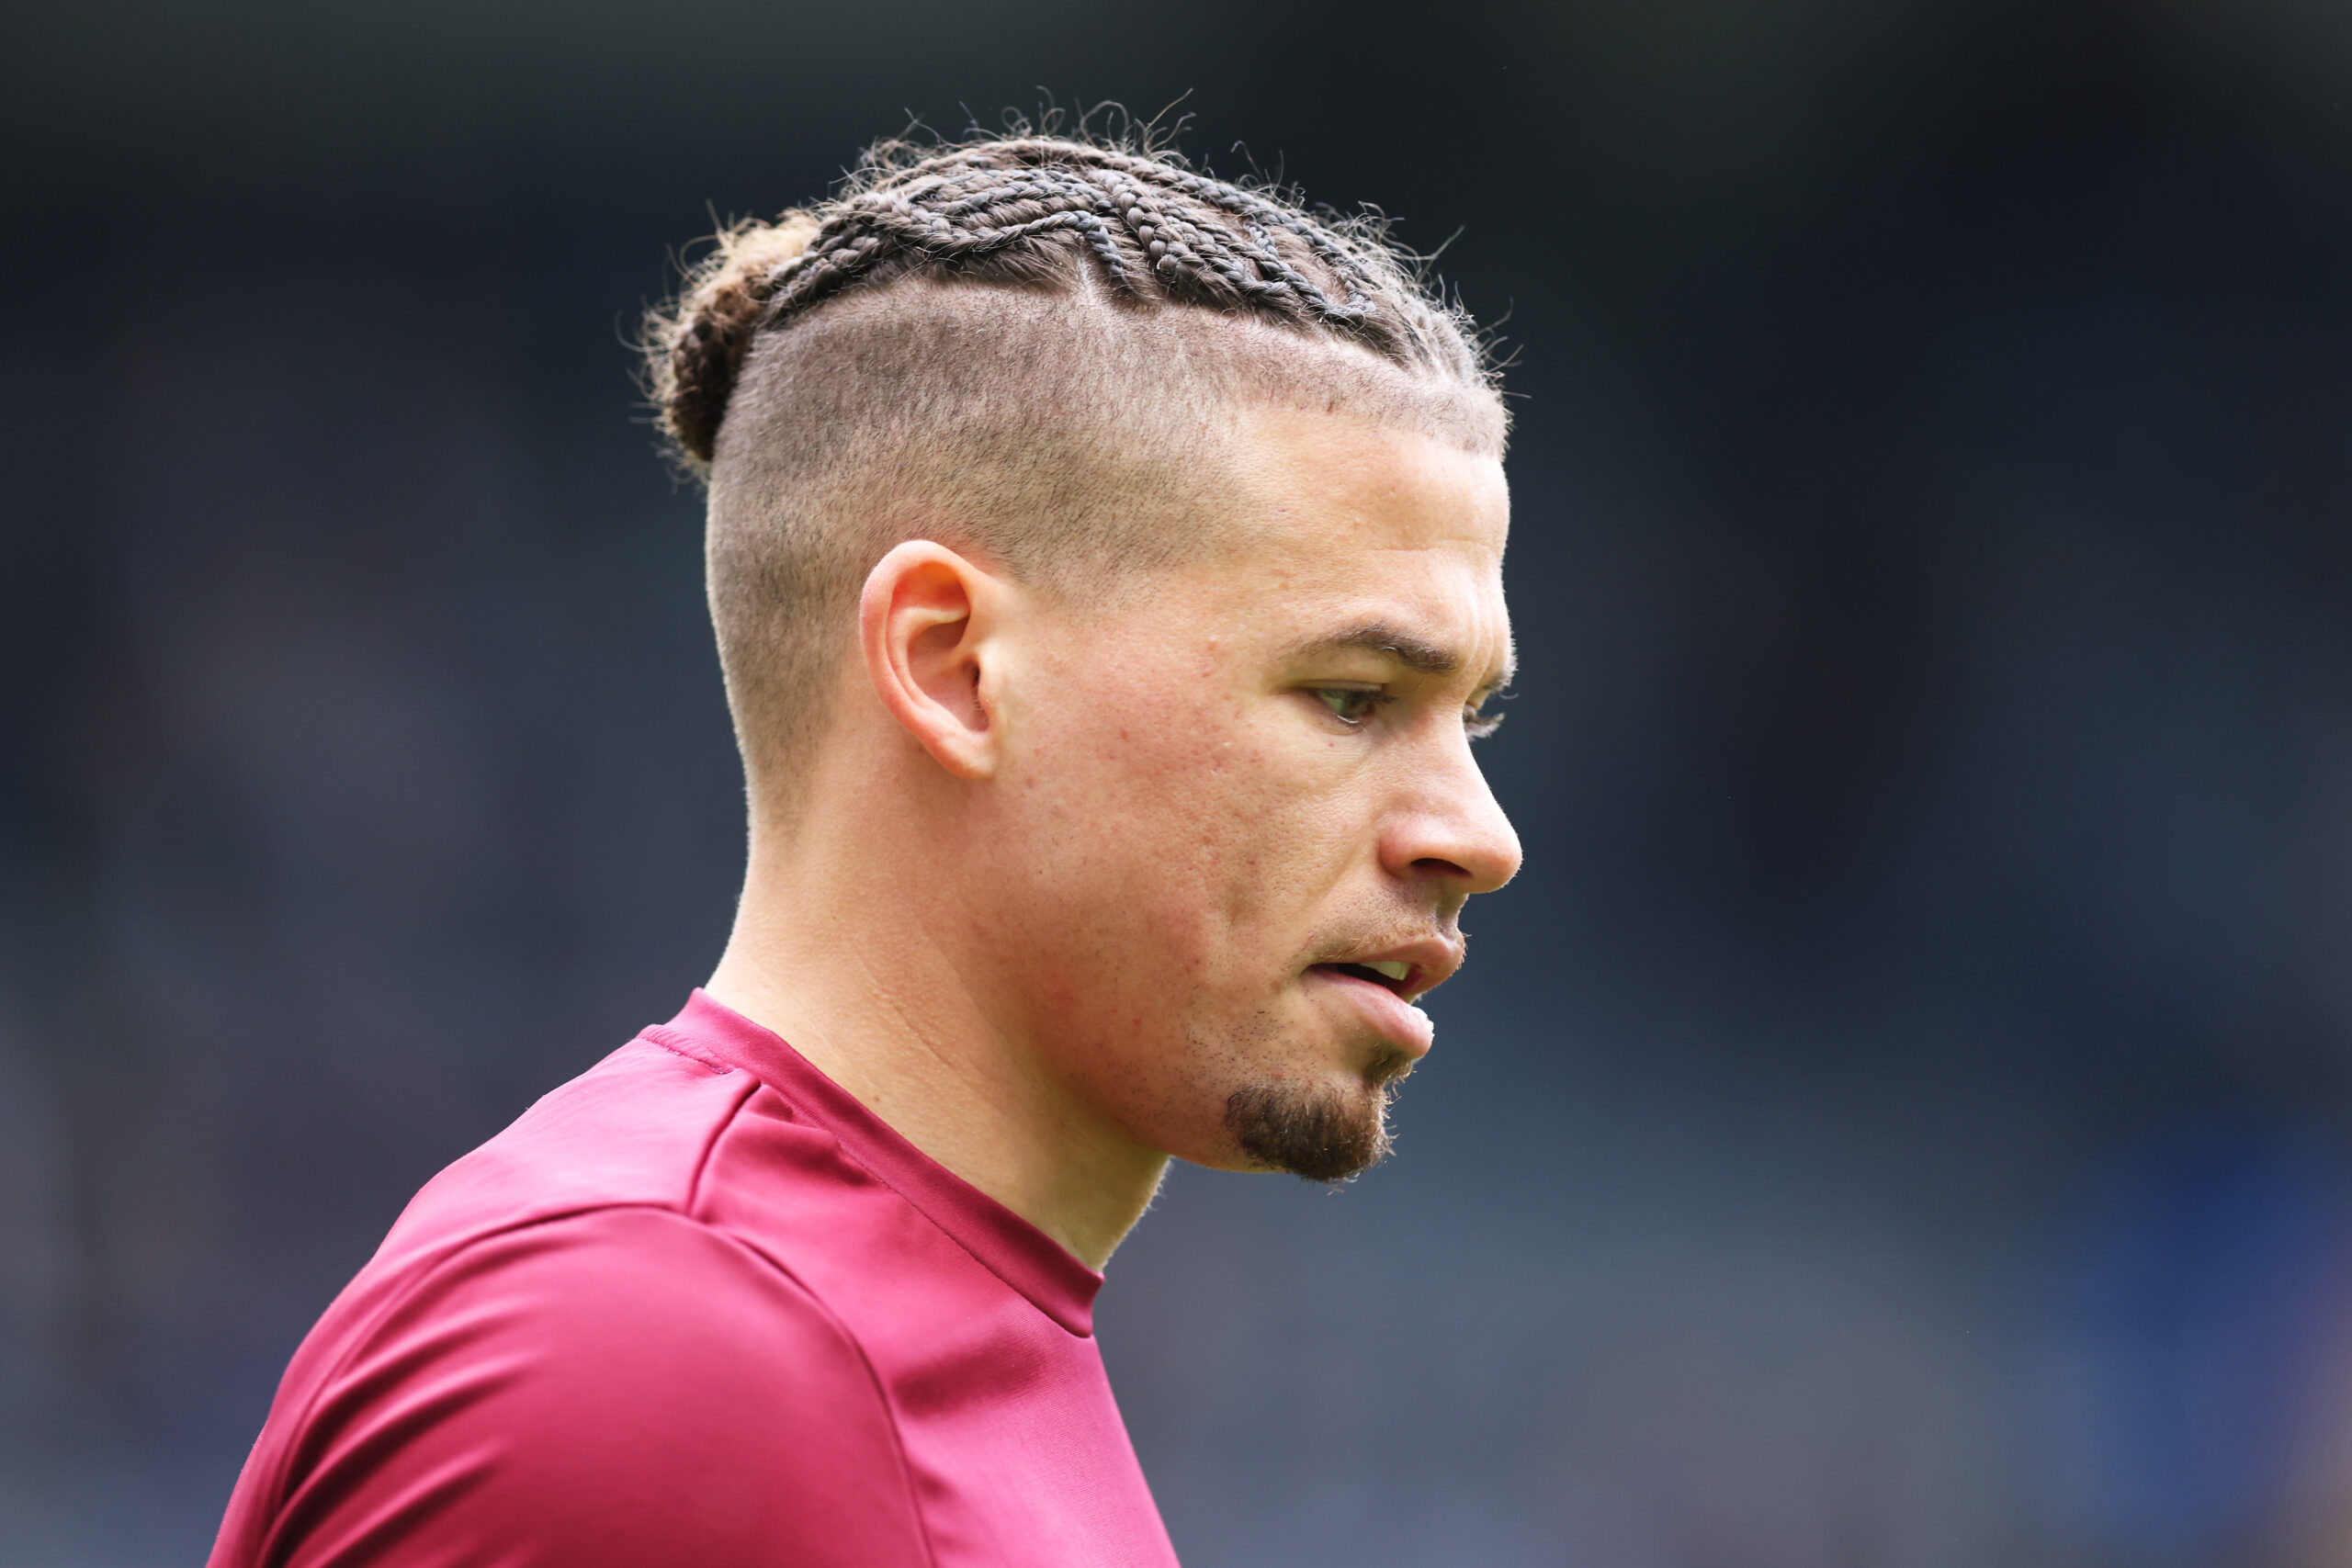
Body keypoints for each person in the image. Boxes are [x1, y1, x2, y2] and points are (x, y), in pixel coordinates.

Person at [208, 131, 1521, 1567]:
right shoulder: (651, 1359)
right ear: (952, 666)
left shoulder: (886, 1333)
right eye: (1351, 697)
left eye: (1473, 719)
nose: (1477, 835)